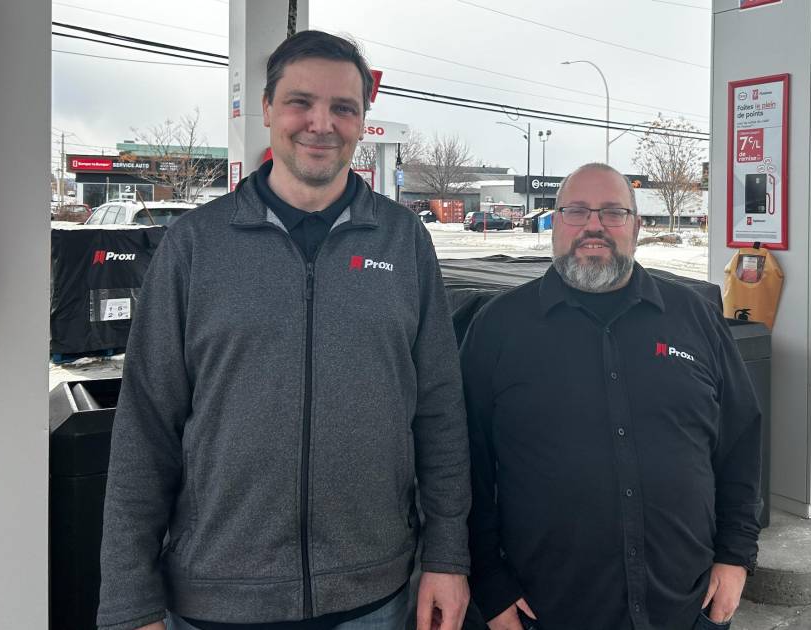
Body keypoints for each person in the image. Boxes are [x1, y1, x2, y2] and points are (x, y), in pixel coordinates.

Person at [97, 31, 470, 630]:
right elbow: (145, 428)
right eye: (301, 102)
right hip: (217, 600)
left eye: (343, 107)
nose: (321, 123)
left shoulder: (403, 242)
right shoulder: (195, 246)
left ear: (362, 121)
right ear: (267, 109)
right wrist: (127, 601)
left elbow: (440, 413)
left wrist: (449, 555)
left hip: (376, 598)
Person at [460, 163, 763, 630]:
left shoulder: (694, 318)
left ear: (637, 226)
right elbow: (465, 466)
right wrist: (490, 584)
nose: (593, 226)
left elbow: (739, 443)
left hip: (687, 606)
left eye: (612, 212)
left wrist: (736, 556)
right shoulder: (499, 328)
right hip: (546, 612)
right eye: (576, 211)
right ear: (555, 222)